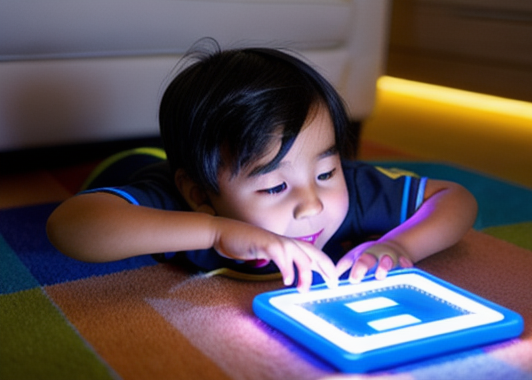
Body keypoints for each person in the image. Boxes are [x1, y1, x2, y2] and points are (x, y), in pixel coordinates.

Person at [46, 42, 478, 293]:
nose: (311, 205)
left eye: (326, 172)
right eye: (274, 187)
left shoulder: (351, 197)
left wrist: (403, 246)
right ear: (201, 195)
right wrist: (216, 233)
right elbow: (69, 226)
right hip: (130, 167)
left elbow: (454, 197)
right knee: (135, 164)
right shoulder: (182, 207)